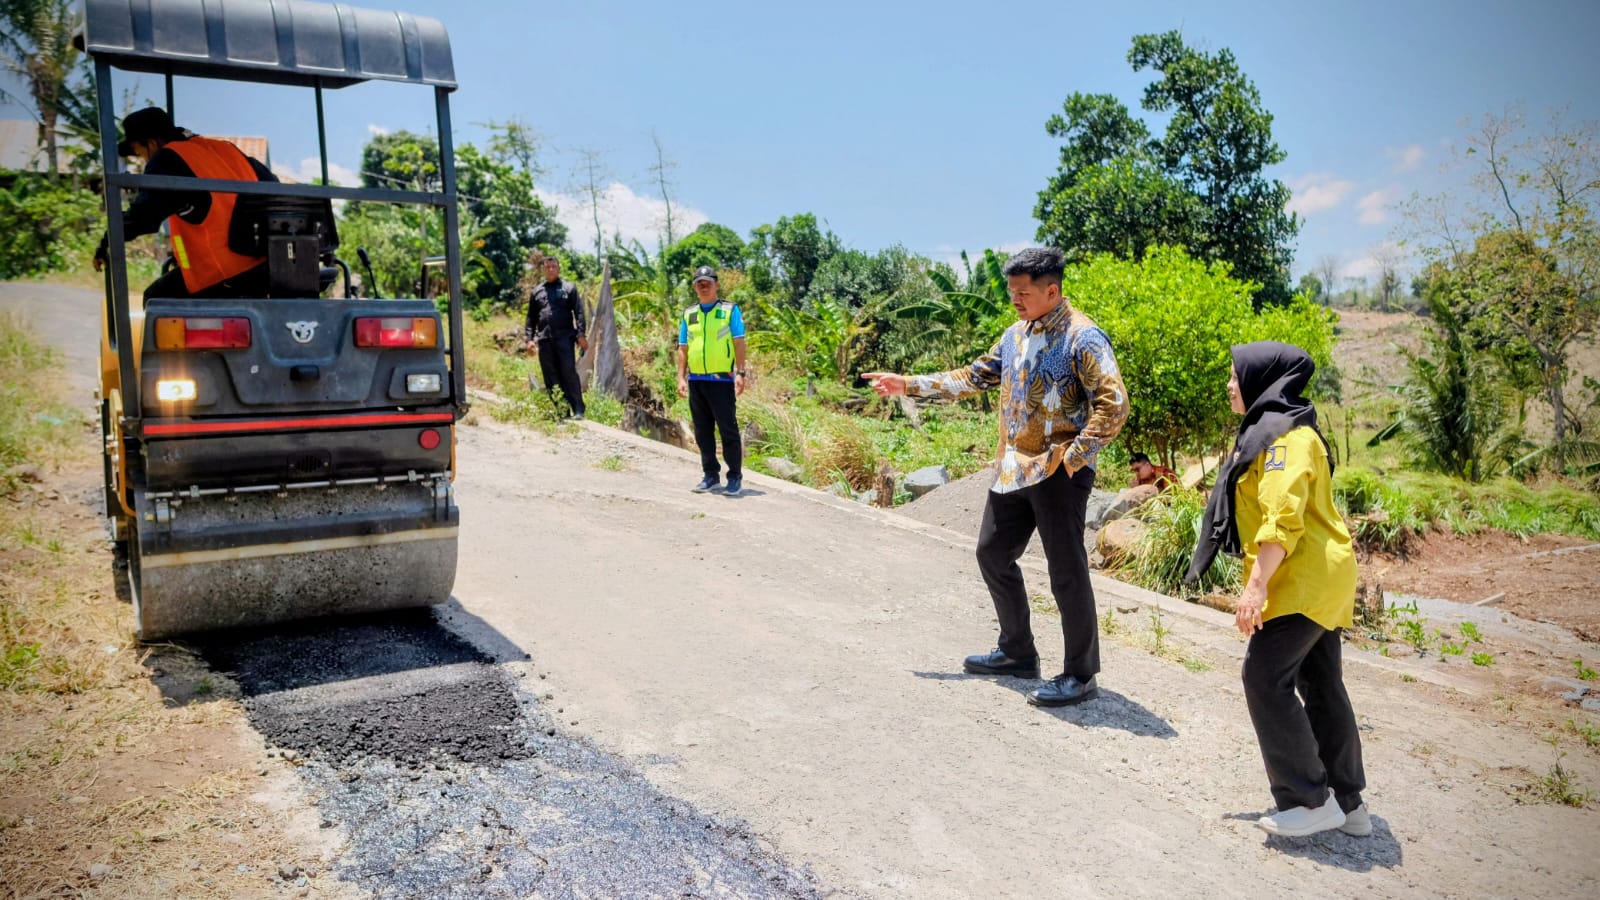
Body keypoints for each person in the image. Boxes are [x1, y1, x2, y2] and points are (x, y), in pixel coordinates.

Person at [864, 247, 1128, 707]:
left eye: (1023, 293)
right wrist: (909, 384)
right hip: (1014, 468)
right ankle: (1017, 652)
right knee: (992, 553)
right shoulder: (1014, 335)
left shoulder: (1084, 338)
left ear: (1052, 290)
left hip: (1058, 471)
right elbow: (974, 376)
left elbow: (1115, 404)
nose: (1015, 301)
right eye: (1011, 293)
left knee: (1066, 573)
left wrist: (1074, 458)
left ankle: (1081, 675)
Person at [1186, 341, 1369, 839]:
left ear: (1261, 379)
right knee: (1320, 681)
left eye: (1235, 375)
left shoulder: (1282, 439)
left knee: (1264, 676)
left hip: (1301, 577)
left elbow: (1282, 517)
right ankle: (1348, 804)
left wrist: (1255, 588)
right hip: (1322, 575)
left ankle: (1308, 800)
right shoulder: (1290, 429)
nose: (1229, 384)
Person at [93, 107, 277, 300]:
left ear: (152, 144)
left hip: (221, 275)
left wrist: (106, 242)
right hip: (264, 268)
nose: (144, 160)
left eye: (140, 154)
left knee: (155, 298)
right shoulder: (225, 149)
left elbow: (143, 218)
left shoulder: (166, 159)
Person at [676, 265, 749, 495]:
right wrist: (680, 377)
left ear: (717, 284)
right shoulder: (689, 314)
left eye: (708, 281)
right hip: (696, 380)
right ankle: (710, 476)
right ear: (695, 287)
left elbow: (739, 342)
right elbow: (683, 348)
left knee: (728, 430)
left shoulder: (729, 310)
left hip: (722, 381)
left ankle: (734, 478)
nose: (704, 285)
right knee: (702, 431)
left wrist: (740, 373)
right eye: (699, 282)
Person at [524, 254, 590, 420]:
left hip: (565, 338)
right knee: (550, 375)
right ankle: (561, 410)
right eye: (547, 267)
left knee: (568, 372)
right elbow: (531, 318)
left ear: (559, 269)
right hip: (545, 340)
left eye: (554, 267)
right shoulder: (537, 292)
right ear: (543, 269)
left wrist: (581, 334)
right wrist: (530, 340)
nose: (551, 269)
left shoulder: (569, 288)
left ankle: (578, 409)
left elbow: (579, 312)